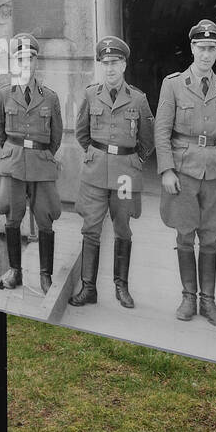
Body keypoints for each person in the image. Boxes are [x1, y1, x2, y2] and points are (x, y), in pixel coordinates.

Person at [154, 19, 216, 323]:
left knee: (210, 238)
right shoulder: (174, 84)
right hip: (184, 170)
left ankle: (208, 302)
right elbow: (161, 130)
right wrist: (166, 169)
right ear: (192, 48)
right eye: (201, 48)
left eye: (212, 49)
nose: (206, 54)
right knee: (184, 234)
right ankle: (188, 299)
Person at [69, 36, 155, 308]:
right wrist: (98, 154)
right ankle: (88, 289)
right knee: (90, 229)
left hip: (126, 174)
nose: (110, 68)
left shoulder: (138, 99)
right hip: (94, 174)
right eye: (105, 63)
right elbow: (82, 133)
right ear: (101, 66)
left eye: (115, 62)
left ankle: (122, 288)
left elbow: (148, 140)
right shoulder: (91, 94)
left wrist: (132, 160)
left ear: (124, 65)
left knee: (123, 229)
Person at [0, 33, 63, 292]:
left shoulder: (50, 97)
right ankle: (15, 272)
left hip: (41, 166)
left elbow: (56, 136)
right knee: (12, 217)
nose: (26, 64)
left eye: (30, 59)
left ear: (36, 63)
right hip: (13, 165)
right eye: (20, 59)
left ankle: (46, 276)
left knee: (45, 218)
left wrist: (39, 154)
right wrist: (15, 153)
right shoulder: (4, 95)